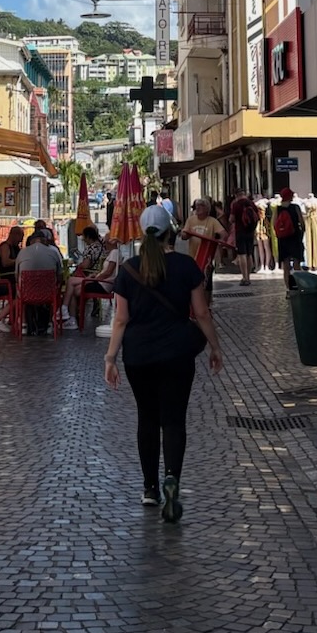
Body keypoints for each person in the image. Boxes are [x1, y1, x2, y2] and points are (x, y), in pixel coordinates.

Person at [104, 204, 222, 522]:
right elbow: (201, 313)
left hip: (138, 355)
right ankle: (172, 478)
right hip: (177, 354)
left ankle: (150, 488)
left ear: (142, 234)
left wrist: (110, 358)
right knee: (173, 420)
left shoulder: (129, 269)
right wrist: (215, 347)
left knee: (147, 418)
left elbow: (121, 320)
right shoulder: (186, 266)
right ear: (171, 232)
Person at [15, 223, 65, 334]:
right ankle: (50, 323)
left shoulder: (22, 252)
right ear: (45, 241)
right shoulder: (53, 252)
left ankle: (24, 324)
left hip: (26, 293)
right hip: (48, 294)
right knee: (54, 288)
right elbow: (60, 276)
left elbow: (16, 275)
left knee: (19, 288)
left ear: (31, 241)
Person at [178, 200, 224, 296]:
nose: (198, 208)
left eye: (201, 206)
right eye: (197, 206)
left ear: (207, 209)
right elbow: (183, 236)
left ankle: (207, 303)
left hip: (206, 259)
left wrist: (218, 241)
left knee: (207, 285)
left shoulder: (212, 221)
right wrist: (187, 234)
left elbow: (224, 234)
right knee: (194, 283)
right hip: (193, 258)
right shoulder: (191, 220)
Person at [271, 186, 305, 287]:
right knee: (296, 263)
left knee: (286, 265)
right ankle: (298, 285)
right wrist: (302, 233)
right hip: (295, 237)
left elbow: (274, 223)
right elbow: (302, 223)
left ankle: (288, 287)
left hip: (283, 239)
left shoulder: (278, 209)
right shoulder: (296, 207)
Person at [227, 190, 260, 286]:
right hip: (250, 231)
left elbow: (231, 219)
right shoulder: (251, 203)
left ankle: (244, 277)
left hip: (240, 231)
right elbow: (257, 216)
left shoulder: (236, 205)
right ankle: (248, 277)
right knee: (249, 254)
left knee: (242, 254)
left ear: (236, 195)